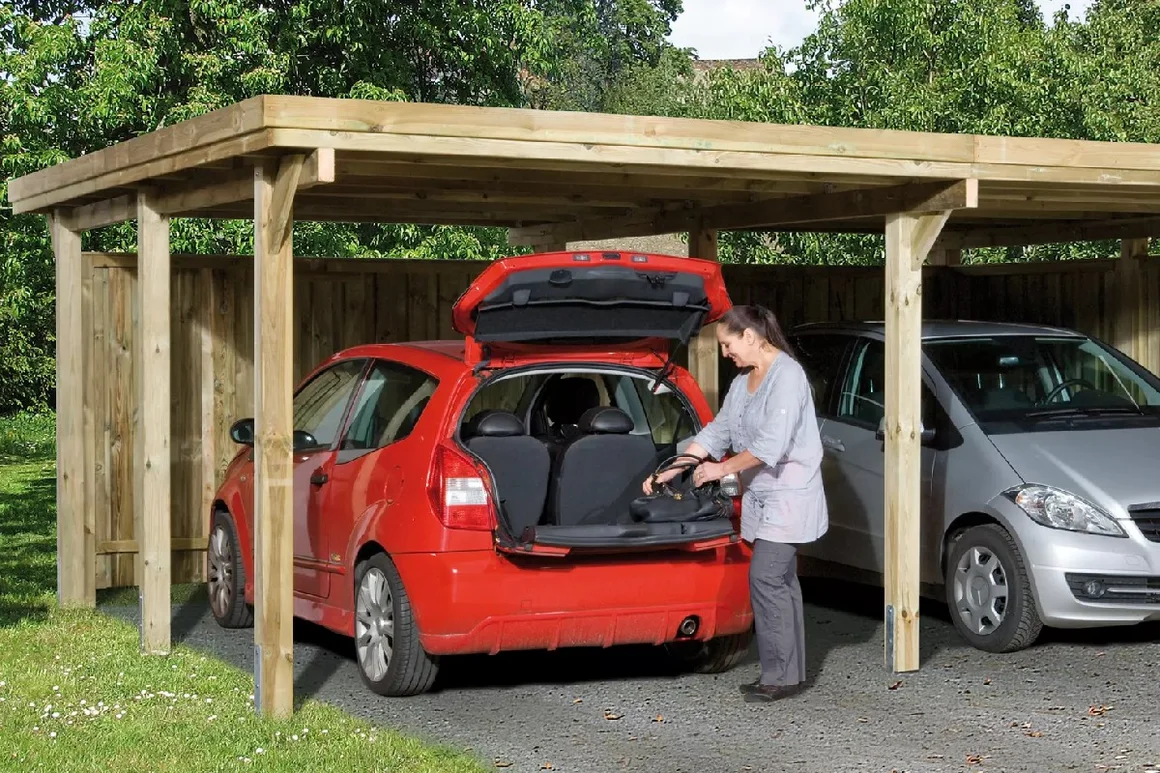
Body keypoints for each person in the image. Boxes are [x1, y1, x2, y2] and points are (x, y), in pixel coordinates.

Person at [645, 304, 828, 702]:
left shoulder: (788, 378)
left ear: (750, 336)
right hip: (763, 496)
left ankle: (778, 677)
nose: (726, 353)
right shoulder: (743, 382)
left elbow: (769, 447)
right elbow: (717, 432)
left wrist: (718, 470)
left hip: (790, 494)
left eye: (728, 345)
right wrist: (670, 471)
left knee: (765, 578)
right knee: (781, 581)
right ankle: (790, 674)